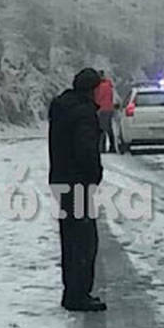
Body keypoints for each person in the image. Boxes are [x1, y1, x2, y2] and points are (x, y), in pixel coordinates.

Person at [49, 68, 106, 312]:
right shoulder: (84, 113)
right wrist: (95, 174)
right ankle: (79, 294)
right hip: (78, 182)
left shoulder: (62, 108)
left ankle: (70, 290)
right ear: (93, 89)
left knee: (70, 237)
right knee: (84, 241)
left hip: (61, 179)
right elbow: (86, 150)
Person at [94, 71, 117, 153]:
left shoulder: (99, 86)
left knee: (101, 128)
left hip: (101, 109)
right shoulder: (109, 85)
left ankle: (101, 147)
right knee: (109, 128)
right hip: (109, 108)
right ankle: (112, 146)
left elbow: (97, 97)